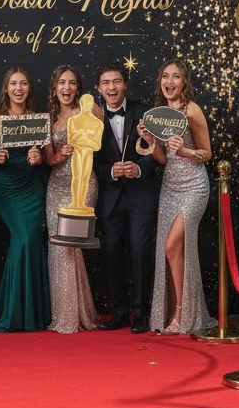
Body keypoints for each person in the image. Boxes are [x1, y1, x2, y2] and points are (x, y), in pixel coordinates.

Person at [138, 58, 216, 334]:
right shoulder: (159, 114)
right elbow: (162, 159)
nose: (169, 82)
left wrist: (185, 151)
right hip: (170, 186)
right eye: (165, 77)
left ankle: (183, 314)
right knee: (171, 249)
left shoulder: (191, 110)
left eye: (176, 77)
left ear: (185, 82)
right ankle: (173, 312)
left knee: (172, 245)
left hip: (194, 186)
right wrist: (149, 140)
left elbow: (207, 153)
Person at [93, 62, 158, 334]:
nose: (111, 87)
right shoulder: (93, 119)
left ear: (125, 85)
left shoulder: (143, 113)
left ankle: (140, 313)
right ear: (98, 88)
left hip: (140, 195)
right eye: (106, 83)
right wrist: (110, 170)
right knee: (111, 253)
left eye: (116, 81)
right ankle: (119, 311)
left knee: (141, 251)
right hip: (110, 197)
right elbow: (91, 161)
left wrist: (139, 167)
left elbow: (157, 152)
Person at [0, 67, 51, 332]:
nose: (18, 88)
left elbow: (47, 155)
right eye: (13, 83)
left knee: (32, 240)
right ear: (6, 88)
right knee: (22, 238)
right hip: (8, 188)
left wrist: (39, 158)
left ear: (29, 89)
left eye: (23, 83)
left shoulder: (37, 118)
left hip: (32, 187)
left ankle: (34, 313)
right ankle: (13, 312)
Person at [43, 66, 101, 333]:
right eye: (62, 83)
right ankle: (65, 315)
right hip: (56, 186)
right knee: (58, 247)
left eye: (72, 83)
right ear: (55, 88)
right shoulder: (48, 118)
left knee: (74, 247)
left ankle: (80, 314)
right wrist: (60, 154)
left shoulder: (90, 112)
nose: (67, 88)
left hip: (84, 183)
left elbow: (103, 145)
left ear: (78, 88)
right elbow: (48, 159)